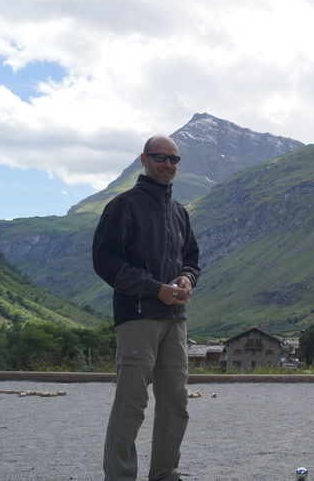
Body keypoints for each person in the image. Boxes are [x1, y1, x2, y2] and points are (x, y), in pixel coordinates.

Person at [93, 135, 201, 481]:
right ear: (144, 159)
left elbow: (192, 258)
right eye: (160, 157)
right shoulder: (123, 205)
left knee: (176, 401)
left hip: (175, 319)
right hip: (137, 316)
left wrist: (186, 278)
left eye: (173, 159)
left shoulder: (179, 212)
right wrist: (156, 289)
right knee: (132, 402)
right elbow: (105, 261)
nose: (167, 164)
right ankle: (120, 475)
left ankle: (165, 472)